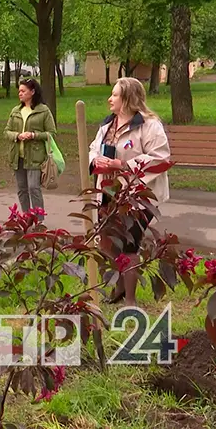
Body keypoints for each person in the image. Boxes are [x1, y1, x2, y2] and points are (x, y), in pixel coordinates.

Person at [89, 77, 170, 307]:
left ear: (128, 98)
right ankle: (119, 287)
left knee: (129, 244)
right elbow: (93, 149)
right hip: (108, 193)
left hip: (138, 197)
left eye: (114, 95)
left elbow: (160, 158)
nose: (109, 99)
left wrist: (122, 165)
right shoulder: (107, 125)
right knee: (106, 242)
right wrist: (96, 162)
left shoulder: (149, 125)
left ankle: (131, 300)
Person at [3, 79, 56, 216]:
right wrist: (17, 136)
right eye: (19, 91)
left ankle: (39, 219)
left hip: (35, 156)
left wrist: (33, 135)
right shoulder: (16, 111)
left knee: (34, 188)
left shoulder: (43, 111)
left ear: (32, 92)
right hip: (17, 156)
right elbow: (6, 131)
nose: (20, 93)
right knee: (22, 189)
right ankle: (26, 217)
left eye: (23, 91)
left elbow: (51, 133)